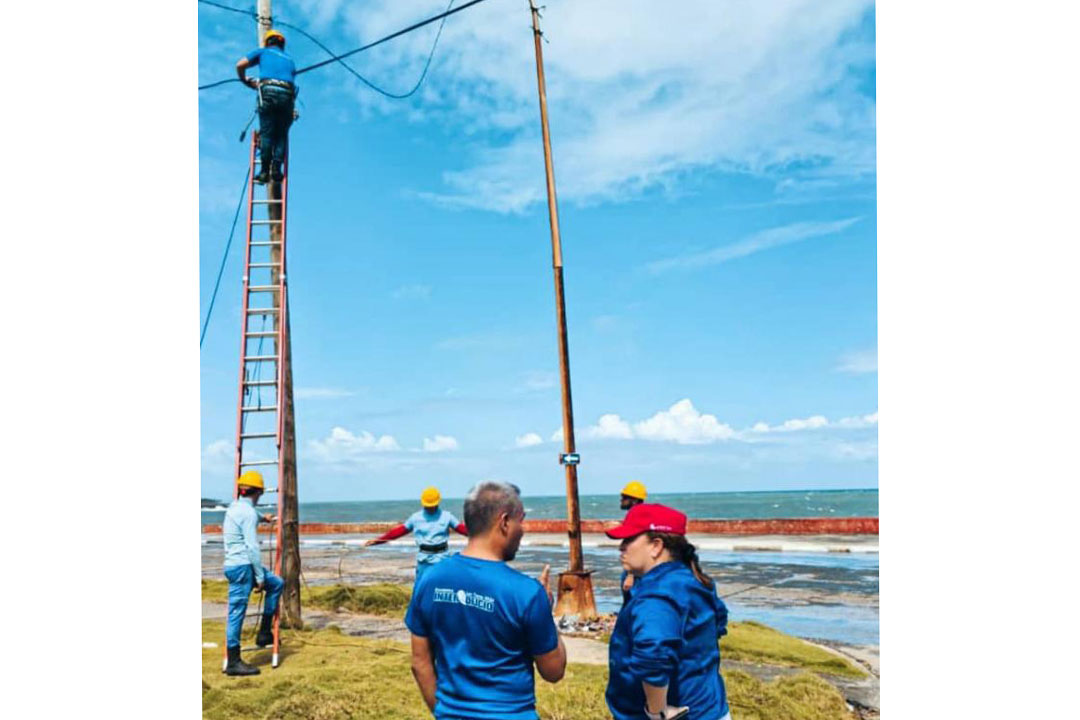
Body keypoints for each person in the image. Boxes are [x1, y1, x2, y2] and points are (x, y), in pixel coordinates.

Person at [405, 481, 567, 719]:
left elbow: (420, 663)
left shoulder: (429, 580)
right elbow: (554, 671)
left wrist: (443, 713)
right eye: (520, 520)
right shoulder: (527, 593)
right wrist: (547, 610)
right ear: (504, 522)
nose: (523, 529)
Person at [605, 503, 730, 720]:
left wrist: (657, 712)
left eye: (629, 540)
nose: (621, 547)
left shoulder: (658, 594)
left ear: (656, 546)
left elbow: (653, 655)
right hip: (708, 706)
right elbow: (717, 624)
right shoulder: (691, 579)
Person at [222, 470, 283, 676]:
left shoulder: (236, 507)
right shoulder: (247, 513)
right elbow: (252, 547)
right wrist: (258, 577)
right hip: (243, 567)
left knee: (276, 583)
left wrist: (264, 518)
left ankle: (264, 632)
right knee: (236, 613)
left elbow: (251, 514)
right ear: (257, 492)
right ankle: (233, 661)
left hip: (236, 565)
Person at [364, 486, 468, 581]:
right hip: (424, 561)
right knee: (420, 590)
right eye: (428, 506)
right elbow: (399, 531)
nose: (430, 508)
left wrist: (481, 535)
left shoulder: (447, 516)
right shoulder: (416, 518)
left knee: (441, 588)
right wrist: (378, 540)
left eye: (432, 505)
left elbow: (463, 530)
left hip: (442, 559)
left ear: (437, 503)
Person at [236, 29, 297, 184]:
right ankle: (276, 170)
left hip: (268, 93)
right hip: (287, 96)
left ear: (267, 42)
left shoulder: (263, 52)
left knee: (267, 134)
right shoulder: (290, 61)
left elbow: (240, 65)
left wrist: (245, 80)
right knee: (281, 135)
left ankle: (264, 172)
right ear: (282, 44)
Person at [619, 481, 648, 598]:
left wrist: (631, 575)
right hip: (637, 569)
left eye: (624, 497)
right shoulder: (638, 515)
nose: (621, 500)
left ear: (634, 500)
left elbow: (635, 546)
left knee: (633, 602)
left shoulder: (637, 517)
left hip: (636, 571)